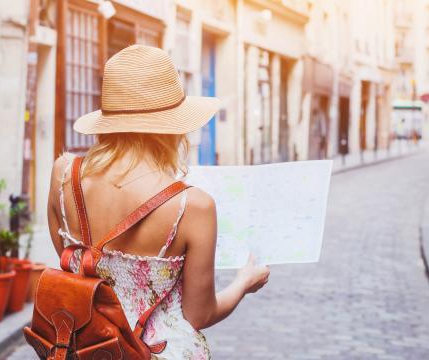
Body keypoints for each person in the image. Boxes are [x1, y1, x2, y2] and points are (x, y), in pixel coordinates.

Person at [47, 45, 270, 359]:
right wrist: (243, 283)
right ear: (173, 126)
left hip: (78, 347)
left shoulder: (63, 174)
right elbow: (199, 315)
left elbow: (76, 264)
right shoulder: (193, 206)